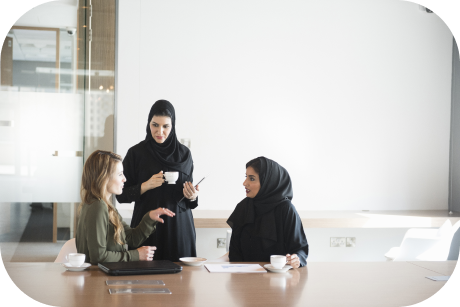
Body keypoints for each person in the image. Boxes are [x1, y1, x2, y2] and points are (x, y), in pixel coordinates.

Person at [116, 100, 199, 261]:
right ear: (148, 124)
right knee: (144, 281)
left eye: (165, 126)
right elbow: (121, 195)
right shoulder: (136, 154)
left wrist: (192, 195)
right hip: (147, 228)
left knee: (180, 282)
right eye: (155, 125)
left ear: (172, 126)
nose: (159, 131)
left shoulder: (184, 154)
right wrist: (145, 186)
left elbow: (189, 197)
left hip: (179, 228)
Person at [76, 150, 175, 265]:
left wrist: (149, 218)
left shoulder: (105, 205)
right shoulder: (97, 206)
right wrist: (136, 255)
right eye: (120, 174)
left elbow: (131, 238)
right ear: (104, 177)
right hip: (99, 279)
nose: (125, 179)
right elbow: (98, 257)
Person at [227, 157, 309, 268]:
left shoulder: (286, 209)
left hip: (279, 279)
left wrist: (296, 258)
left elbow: (299, 249)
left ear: (267, 181)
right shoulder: (243, 207)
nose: (244, 183)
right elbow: (234, 252)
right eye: (246, 177)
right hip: (245, 278)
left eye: (252, 179)